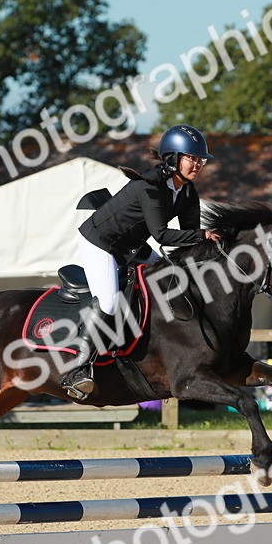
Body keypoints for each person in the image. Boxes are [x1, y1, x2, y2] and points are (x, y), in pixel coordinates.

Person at [64, 124, 223, 398]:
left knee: (168, 276)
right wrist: (203, 234)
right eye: (192, 158)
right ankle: (77, 368)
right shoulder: (151, 186)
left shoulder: (187, 192)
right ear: (174, 158)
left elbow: (188, 238)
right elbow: (162, 235)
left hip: (131, 246)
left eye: (200, 159)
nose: (197, 164)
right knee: (109, 301)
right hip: (100, 242)